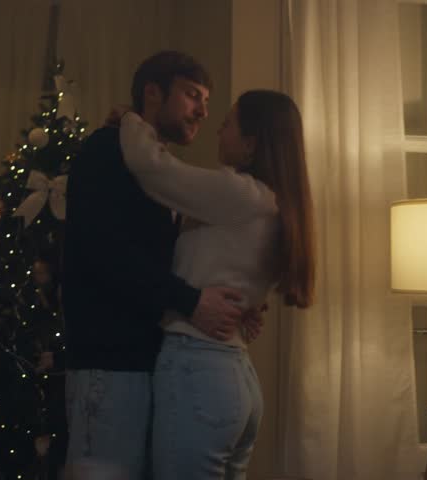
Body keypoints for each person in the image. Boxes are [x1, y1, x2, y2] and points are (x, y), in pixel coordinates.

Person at [61, 51, 259, 479]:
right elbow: (104, 253)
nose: (204, 111)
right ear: (153, 93)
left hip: (147, 363)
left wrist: (241, 303)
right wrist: (191, 301)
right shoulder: (106, 151)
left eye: (207, 101)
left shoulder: (160, 171)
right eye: (192, 96)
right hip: (110, 367)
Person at [113, 89, 315, 479]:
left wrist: (130, 118)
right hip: (232, 375)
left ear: (251, 143)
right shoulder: (271, 203)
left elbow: (153, 168)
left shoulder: (238, 193)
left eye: (227, 125)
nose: (218, 132)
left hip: (198, 368)